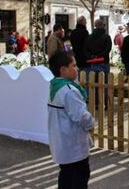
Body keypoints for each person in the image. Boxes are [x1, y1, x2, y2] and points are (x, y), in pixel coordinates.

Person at [47, 51, 95, 189]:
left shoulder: (55, 87)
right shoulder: (69, 91)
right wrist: (91, 123)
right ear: (63, 69)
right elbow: (81, 116)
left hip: (62, 144)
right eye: (73, 66)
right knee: (79, 176)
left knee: (66, 174)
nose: (77, 69)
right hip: (73, 145)